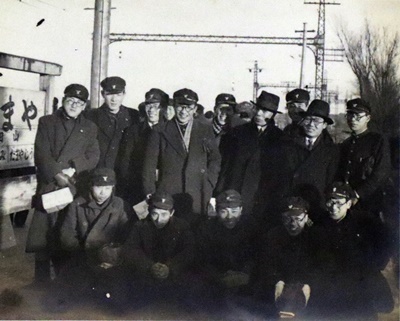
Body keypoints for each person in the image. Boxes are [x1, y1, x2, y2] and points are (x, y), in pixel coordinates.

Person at [26, 84, 100, 282]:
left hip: (74, 185)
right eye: (71, 100)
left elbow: (93, 155)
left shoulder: (90, 127)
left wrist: (74, 168)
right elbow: (41, 153)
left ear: (84, 106)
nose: (75, 105)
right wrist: (57, 174)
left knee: (67, 232)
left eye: (80, 102)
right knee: (43, 234)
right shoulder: (47, 122)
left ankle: (65, 279)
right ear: (64, 99)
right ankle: (40, 280)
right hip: (51, 183)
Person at [313, 182, 393, 320]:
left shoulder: (364, 222)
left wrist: (378, 264)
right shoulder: (320, 223)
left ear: (349, 204)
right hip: (331, 283)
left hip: (359, 282)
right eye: (329, 202)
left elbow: (388, 239)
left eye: (338, 203)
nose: (333, 208)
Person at [142, 88, 221, 227]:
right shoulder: (159, 131)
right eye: (180, 106)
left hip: (197, 192)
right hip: (169, 192)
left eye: (188, 107)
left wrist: (209, 182)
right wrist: (150, 192)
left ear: (195, 108)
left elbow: (215, 159)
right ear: (174, 106)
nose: (184, 112)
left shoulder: (204, 129)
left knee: (196, 231)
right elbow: (149, 166)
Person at [58, 168, 134, 299]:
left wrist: (114, 256)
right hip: (84, 256)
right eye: (98, 187)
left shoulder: (120, 205)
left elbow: (130, 237)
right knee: (65, 298)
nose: (103, 193)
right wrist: (85, 254)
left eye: (108, 188)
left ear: (113, 188)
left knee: (120, 304)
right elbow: (66, 235)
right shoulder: (77, 204)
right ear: (91, 186)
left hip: (112, 260)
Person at [122, 191, 195, 304]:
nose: (158, 219)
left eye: (164, 214)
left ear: (172, 213)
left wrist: (170, 267)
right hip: (147, 273)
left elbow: (189, 251)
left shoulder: (182, 226)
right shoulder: (140, 225)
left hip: (173, 275)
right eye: (155, 214)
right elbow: (130, 249)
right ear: (149, 211)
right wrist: (149, 266)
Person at [252, 196, 319, 318]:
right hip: (276, 289)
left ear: (306, 218)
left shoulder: (315, 238)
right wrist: (277, 281)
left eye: (298, 219)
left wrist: (308, 285)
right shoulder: (272, 236)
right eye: (287, 219)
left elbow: (320, 268)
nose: (293, 224)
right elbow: (265, 266)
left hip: (306, 291)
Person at [227, 91, 285, 221]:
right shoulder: (238, 133)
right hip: (238, 194)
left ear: (273, 114)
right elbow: (227, 167)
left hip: (265, 197)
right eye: (258, 108)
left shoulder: (280, 138)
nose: (259, 113)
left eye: (265, 111)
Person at [283, 99, 339, 219]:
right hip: (291, 206)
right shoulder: (289, 145)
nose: (311, 124)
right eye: (308, 119)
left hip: (316, 207)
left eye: (317, 121)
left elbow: (330, 182)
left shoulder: (331, 151)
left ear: (324, 125)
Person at [337, 98, 391, 217]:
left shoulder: (378, 141)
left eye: (358, 116)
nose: (352, 119)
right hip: (347, 202)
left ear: (368, 118)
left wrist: (358, 194)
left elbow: (382, 172)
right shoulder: (346, 144)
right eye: (350, 115)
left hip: (371, 201)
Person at [196, 190, 258, 292]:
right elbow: (201, 259)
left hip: (245, 279)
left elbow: (257, 256)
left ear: (241, 210)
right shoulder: (207, 228)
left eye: (234, 211)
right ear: (216, 211)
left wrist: (245, 273)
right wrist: (218, 277)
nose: (229, 217)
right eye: (224, 211)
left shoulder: (251, 227)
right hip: (215, 279)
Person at [117, 88, 169, 205]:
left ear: (164, 108)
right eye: (148, 105)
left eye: (156, 106)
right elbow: (125, 163)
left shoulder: (170, 130)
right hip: (137, 189)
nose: (151, 110)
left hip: (164, 189)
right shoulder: (133, 131)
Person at [85, 76, 139, 171]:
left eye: (118, 94)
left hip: (124, 173)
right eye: (109, 94)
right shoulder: (90, 116)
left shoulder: (134, 116)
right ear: (102, 94)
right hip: (98, 172)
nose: (114, 99)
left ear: (124, 94)